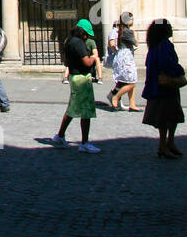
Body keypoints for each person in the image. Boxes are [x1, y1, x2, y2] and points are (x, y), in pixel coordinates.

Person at [48, 19, 101, 153]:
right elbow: (87, 62)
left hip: (73, 76)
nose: (87, 37)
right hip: (82, 78)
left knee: (72, 109)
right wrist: (94, 57)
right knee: (86, 110)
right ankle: (84, 143)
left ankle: (59, 136)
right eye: (87, 34)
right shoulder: (79, 43)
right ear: (83, 33)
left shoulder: (69, 40)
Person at [141, 18, 186, 158]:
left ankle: (168, 143)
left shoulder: (154, 45)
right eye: (169, 26)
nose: (171, 28)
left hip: (159, 85)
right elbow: (167, 63)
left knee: (169, 116)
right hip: (165, 86)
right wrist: (179, 71)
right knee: (168, 116)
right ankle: (164, 145)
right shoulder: (164, 45)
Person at [107, 22, 140, 111]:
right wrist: (135, 34)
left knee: (127, 81)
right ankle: (115, 97)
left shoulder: (121, 31)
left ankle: (131, 104)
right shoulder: (127, 32)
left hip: (124, 57)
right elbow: (136, 43)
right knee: (131, 82)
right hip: (126, 58)